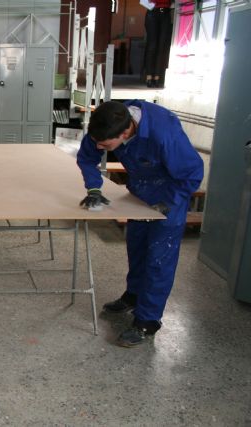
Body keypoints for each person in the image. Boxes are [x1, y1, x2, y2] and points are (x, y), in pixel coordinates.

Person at [77, 101, 203, 347]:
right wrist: (93, 187)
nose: (99, 147)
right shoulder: (107, 123)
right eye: (97, 142)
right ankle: (133, 296)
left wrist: (169, 202)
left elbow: (193, 173)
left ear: (125, 133)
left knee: (158, 259)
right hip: (140, 192)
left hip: (171, 193)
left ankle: (148, 320)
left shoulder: (163, 133)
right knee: (136, 247)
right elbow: (86, 158)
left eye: (105, 145)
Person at [143, 0, 173, 88]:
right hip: (152, 12)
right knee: (152, 46)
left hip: (166, 13)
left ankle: (157, 77)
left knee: (162, 46)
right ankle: (149, 76)